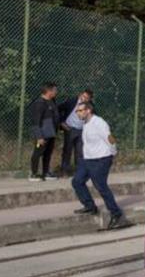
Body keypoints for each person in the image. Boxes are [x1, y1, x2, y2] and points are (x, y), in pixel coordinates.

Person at [71, 102, 133, 230]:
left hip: (101, 159)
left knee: (100, 186)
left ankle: (117, 215)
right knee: (77, 181)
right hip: (87, 159)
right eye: (77, 111)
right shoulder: (86, 123)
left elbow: (110, 138)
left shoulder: (98, 122)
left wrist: (113, 153)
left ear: (88, 110)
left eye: (80, 110)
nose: (78, 113)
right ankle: (90, 206)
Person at [57, 89, 94, 175]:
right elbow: (59, 109)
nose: (84, 99)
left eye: (87, 98)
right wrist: (61, 122)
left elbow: (92, 117)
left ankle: (79, 170)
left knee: (79, 151)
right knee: (67, 149)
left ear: (90, 99)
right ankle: (65, 169)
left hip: (82, 130)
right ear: (80, 95)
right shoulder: (72, 101)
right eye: (83, 96)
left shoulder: (91, 107)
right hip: (70, 128)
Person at [28, 82, 60, 181]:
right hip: (42, 135)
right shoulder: (39, 104)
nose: (56, 92)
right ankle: (33, 174)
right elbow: (36, 122)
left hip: (51, 133)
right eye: (55, 90)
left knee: (48, 153)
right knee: (37, 153)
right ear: (48, 91)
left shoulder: (52, 101)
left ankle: (46, 173)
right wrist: (39, 137)